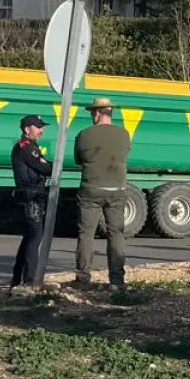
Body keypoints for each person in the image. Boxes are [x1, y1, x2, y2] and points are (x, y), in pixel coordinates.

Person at [73, 96, 131, 291]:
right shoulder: (124, 134)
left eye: (92, 112)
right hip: (116, 190)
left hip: (91, 189)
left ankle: (83, 277)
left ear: (97, 113)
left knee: (86, 234)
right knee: (116, 234)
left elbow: (78, 160)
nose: (91, 115)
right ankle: (116, 280)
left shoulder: (83, 135)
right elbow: (124, 154)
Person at [10, 114, 52, 287]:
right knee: (35, 237)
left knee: (29, 238)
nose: (41, 130)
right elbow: (44, 167)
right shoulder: (25, 147)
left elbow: (44, 165)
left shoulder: (31, 146)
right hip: (30, 197)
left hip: (33, 195)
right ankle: (29, 281)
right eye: (38, 127)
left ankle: (17, 279)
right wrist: (45, 164)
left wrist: (44, 164)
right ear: (27, 129)